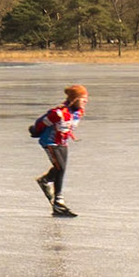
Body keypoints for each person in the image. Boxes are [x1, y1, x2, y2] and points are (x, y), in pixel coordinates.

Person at [34, 83, 87, 218]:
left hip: (63, 143)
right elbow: (41, 123)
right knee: (60, 168)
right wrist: (35, 131)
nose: (86, 101)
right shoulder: (58, 113)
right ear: (74, 99)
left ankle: (45, 181)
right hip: (50, 142)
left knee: (60, 169)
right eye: (82, 98)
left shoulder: (78, 112)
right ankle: (58, 201)